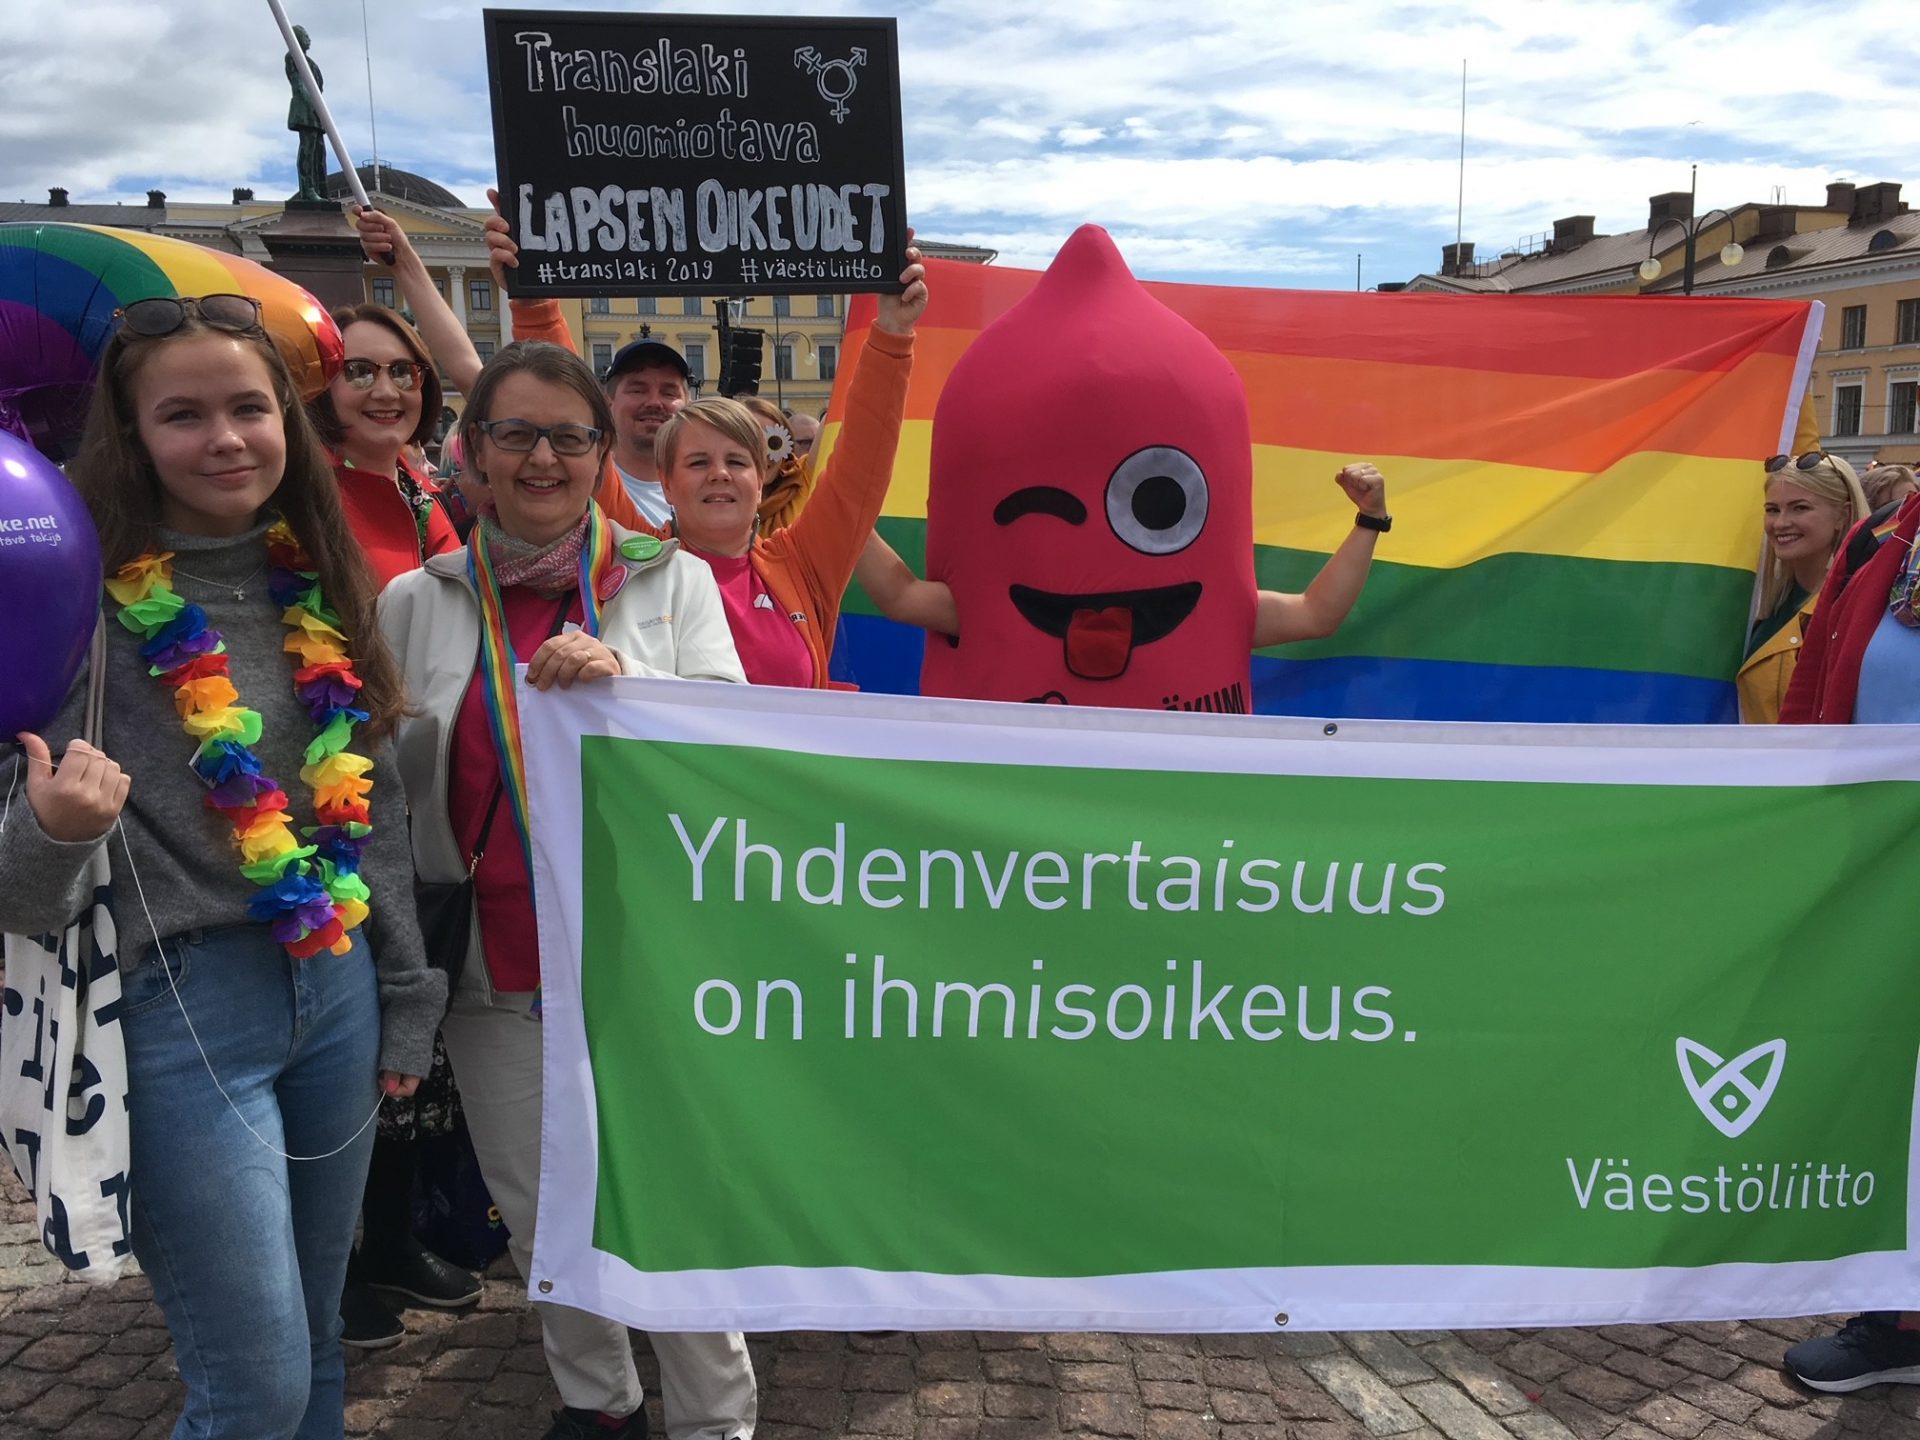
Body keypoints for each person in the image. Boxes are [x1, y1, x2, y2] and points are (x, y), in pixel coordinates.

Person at [0, 292, 442, 1438]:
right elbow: (16, 893)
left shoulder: (328, 581)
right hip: (181, 1016)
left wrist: (403, 995)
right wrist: (52, 827)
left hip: (333, 994)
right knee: (252, 1387)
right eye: (183, 414)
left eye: (250, 406)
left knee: (321, 1353)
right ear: (132, 434)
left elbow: (378, 810)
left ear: (291, 422)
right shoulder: (74, 603)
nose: (226, 438)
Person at [378, 339, 752, 1440]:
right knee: (544, 1211)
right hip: (497, 961)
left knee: (673, 1201)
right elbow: (391, 783)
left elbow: (735, 750)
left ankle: (714, 1422)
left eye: (569, 436)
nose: (543, 457)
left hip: (650, 961)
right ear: (474, 451)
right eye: (516, 433)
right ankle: (598, 1404)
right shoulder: (418, 598)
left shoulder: (669, 579)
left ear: (603, 452)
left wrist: (626, 688)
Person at [486, 204, 927, 688]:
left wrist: (893, 332)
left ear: (760, 481)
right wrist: (535, 305)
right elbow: (569, 407)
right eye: (698, 462)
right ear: (668, 484)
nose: (719, 473)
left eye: (737, 460)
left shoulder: (803, 561)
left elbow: (859, 467)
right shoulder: (634, 552)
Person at [1778, 476, 1920, 1390]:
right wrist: (1780, 810)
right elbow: (1817, 684)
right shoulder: (1884, 535)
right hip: (1877, 865)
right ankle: (1904, 1313)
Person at [854, 464, 1393, 658]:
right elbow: (899, 596)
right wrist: (838, 498)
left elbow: (1316, 615)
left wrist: (1370, 520)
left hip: (1162, 835)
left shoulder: (1214, 613)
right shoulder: (995, 607)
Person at [1737, 452, 1869, 724]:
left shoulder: (1856, 608)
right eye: (1772, 509)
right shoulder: (1762, 604)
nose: (1781, 523)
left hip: (1815, 764)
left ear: (1842, 516)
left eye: (1800, 508)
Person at [741, 394, 816, 533]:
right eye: (752, 442)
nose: (764, 454)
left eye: (773, 442)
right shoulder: (720, 502)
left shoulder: (802, 478)